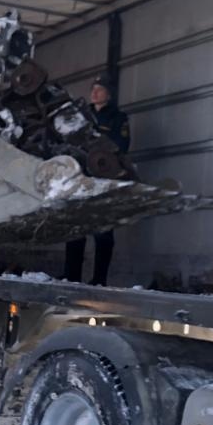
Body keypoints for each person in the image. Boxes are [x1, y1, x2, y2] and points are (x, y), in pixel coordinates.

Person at [64, 75, 130, 286]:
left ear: (108, 95)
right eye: (93, 89)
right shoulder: (82, 116)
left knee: (103, 233)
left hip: (103, 180)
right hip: (81, 179)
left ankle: (99, 279)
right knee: (75, 230)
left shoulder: (118, 118)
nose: (94, 93)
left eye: (99, 89)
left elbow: (121, 146)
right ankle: (71, 276)